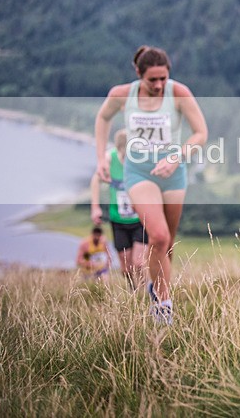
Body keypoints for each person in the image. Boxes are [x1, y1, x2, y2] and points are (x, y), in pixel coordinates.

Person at [95, 46, 207, 324]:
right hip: (139, 173)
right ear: (138, 74)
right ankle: (163, 306)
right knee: (157, 237)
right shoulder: (122, 95)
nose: (158, 85)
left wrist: (177, 156)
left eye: (163, 78)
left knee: (166, 245)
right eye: (152, 80)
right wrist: (101, 158)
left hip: (173, 173)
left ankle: (155, 286)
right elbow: (102, 118)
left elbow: (201, 133)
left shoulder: (179, 93)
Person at [91, 129, 148, 290]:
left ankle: (144, 292)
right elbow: (95, 179)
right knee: (126, 266)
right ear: (119, 149)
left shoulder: (141, 160)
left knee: (138, 262)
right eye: (124, 156)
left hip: (140, 219)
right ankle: (133, 290)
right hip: (118, 219)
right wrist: (95, 207)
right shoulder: (110, 158)